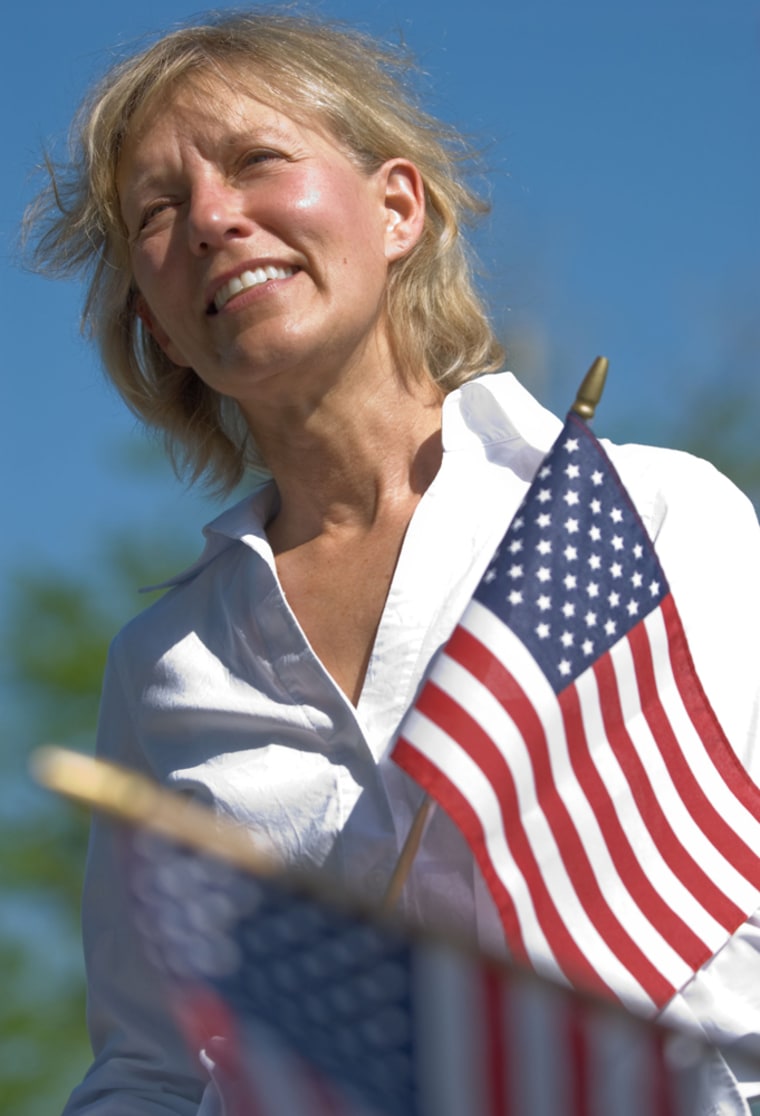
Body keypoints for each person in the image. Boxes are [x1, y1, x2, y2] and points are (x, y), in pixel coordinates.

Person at [26, 10, 760, 1115]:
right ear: (162, 328)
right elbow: (153, 1068)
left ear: (398, 207)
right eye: (158, 214)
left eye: (256, 162)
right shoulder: (163, 665)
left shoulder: (647, 514)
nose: (215, 219)